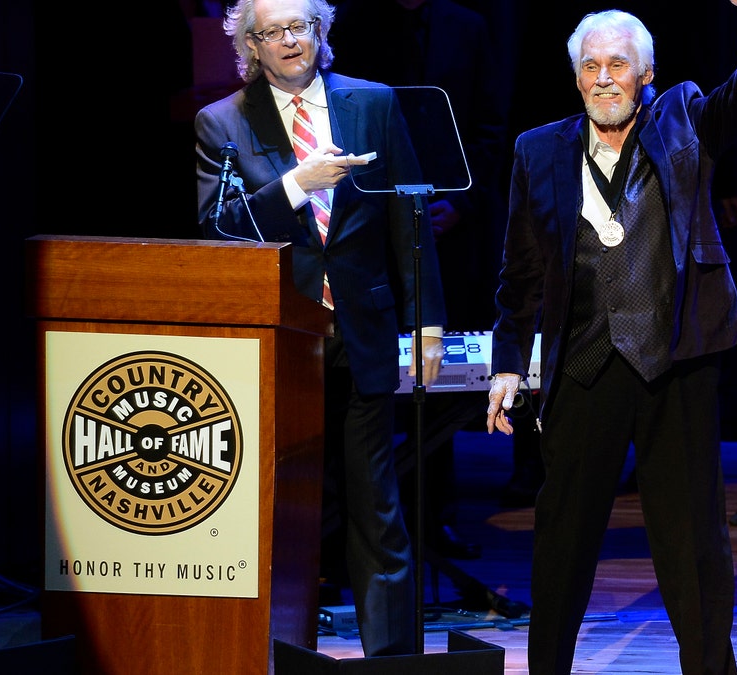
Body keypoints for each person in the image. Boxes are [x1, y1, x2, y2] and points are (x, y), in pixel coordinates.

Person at [484, 3, 737, 673]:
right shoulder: (537, 151)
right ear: (575, 79)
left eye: (617, 64)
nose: (603, 78)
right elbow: (521, 273)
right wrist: (508, 364)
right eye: (590, 66)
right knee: (562, 542)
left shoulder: (683, 118)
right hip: (585, 366)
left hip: (674, 362)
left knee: (693, 544)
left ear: (646, 72)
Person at [193, 0, 447, 657]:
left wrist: (426, 324)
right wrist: (296, 185)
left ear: (321, 32)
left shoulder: (374, 103)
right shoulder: (221, 122)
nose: (288, 41)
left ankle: (392, 661)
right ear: (250, 44)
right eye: (271, 32)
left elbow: (410, 220)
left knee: (379, 512)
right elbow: (218, 232)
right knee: (279, 513)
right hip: (279, 345)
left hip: (363, 331)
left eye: (298, 27)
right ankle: (271, 654)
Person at [329, 0, 513, 560]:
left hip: (447, 229)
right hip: (365, 225)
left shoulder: (466, 26)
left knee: (435, 374)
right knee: (360, 381)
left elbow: (489, 126)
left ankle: (436, 519)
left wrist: (460, 203)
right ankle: (345, 525)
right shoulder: (354, 23)